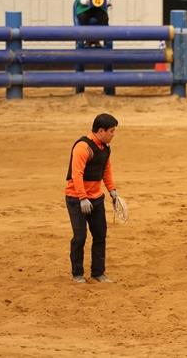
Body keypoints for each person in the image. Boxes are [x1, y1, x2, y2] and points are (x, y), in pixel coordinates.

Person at [65, 114, 122, 283]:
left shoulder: (105, 148)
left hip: (96, 198)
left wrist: (112, 191)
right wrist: (82, 197)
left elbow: (106, 171)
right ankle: (77, 274)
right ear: (101, 130)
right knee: (80, 237)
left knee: (100, 235)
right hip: (76, 199)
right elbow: (77, 174)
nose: (113, 134)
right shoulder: (83, 147)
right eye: (111, 131)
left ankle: (98, 273)